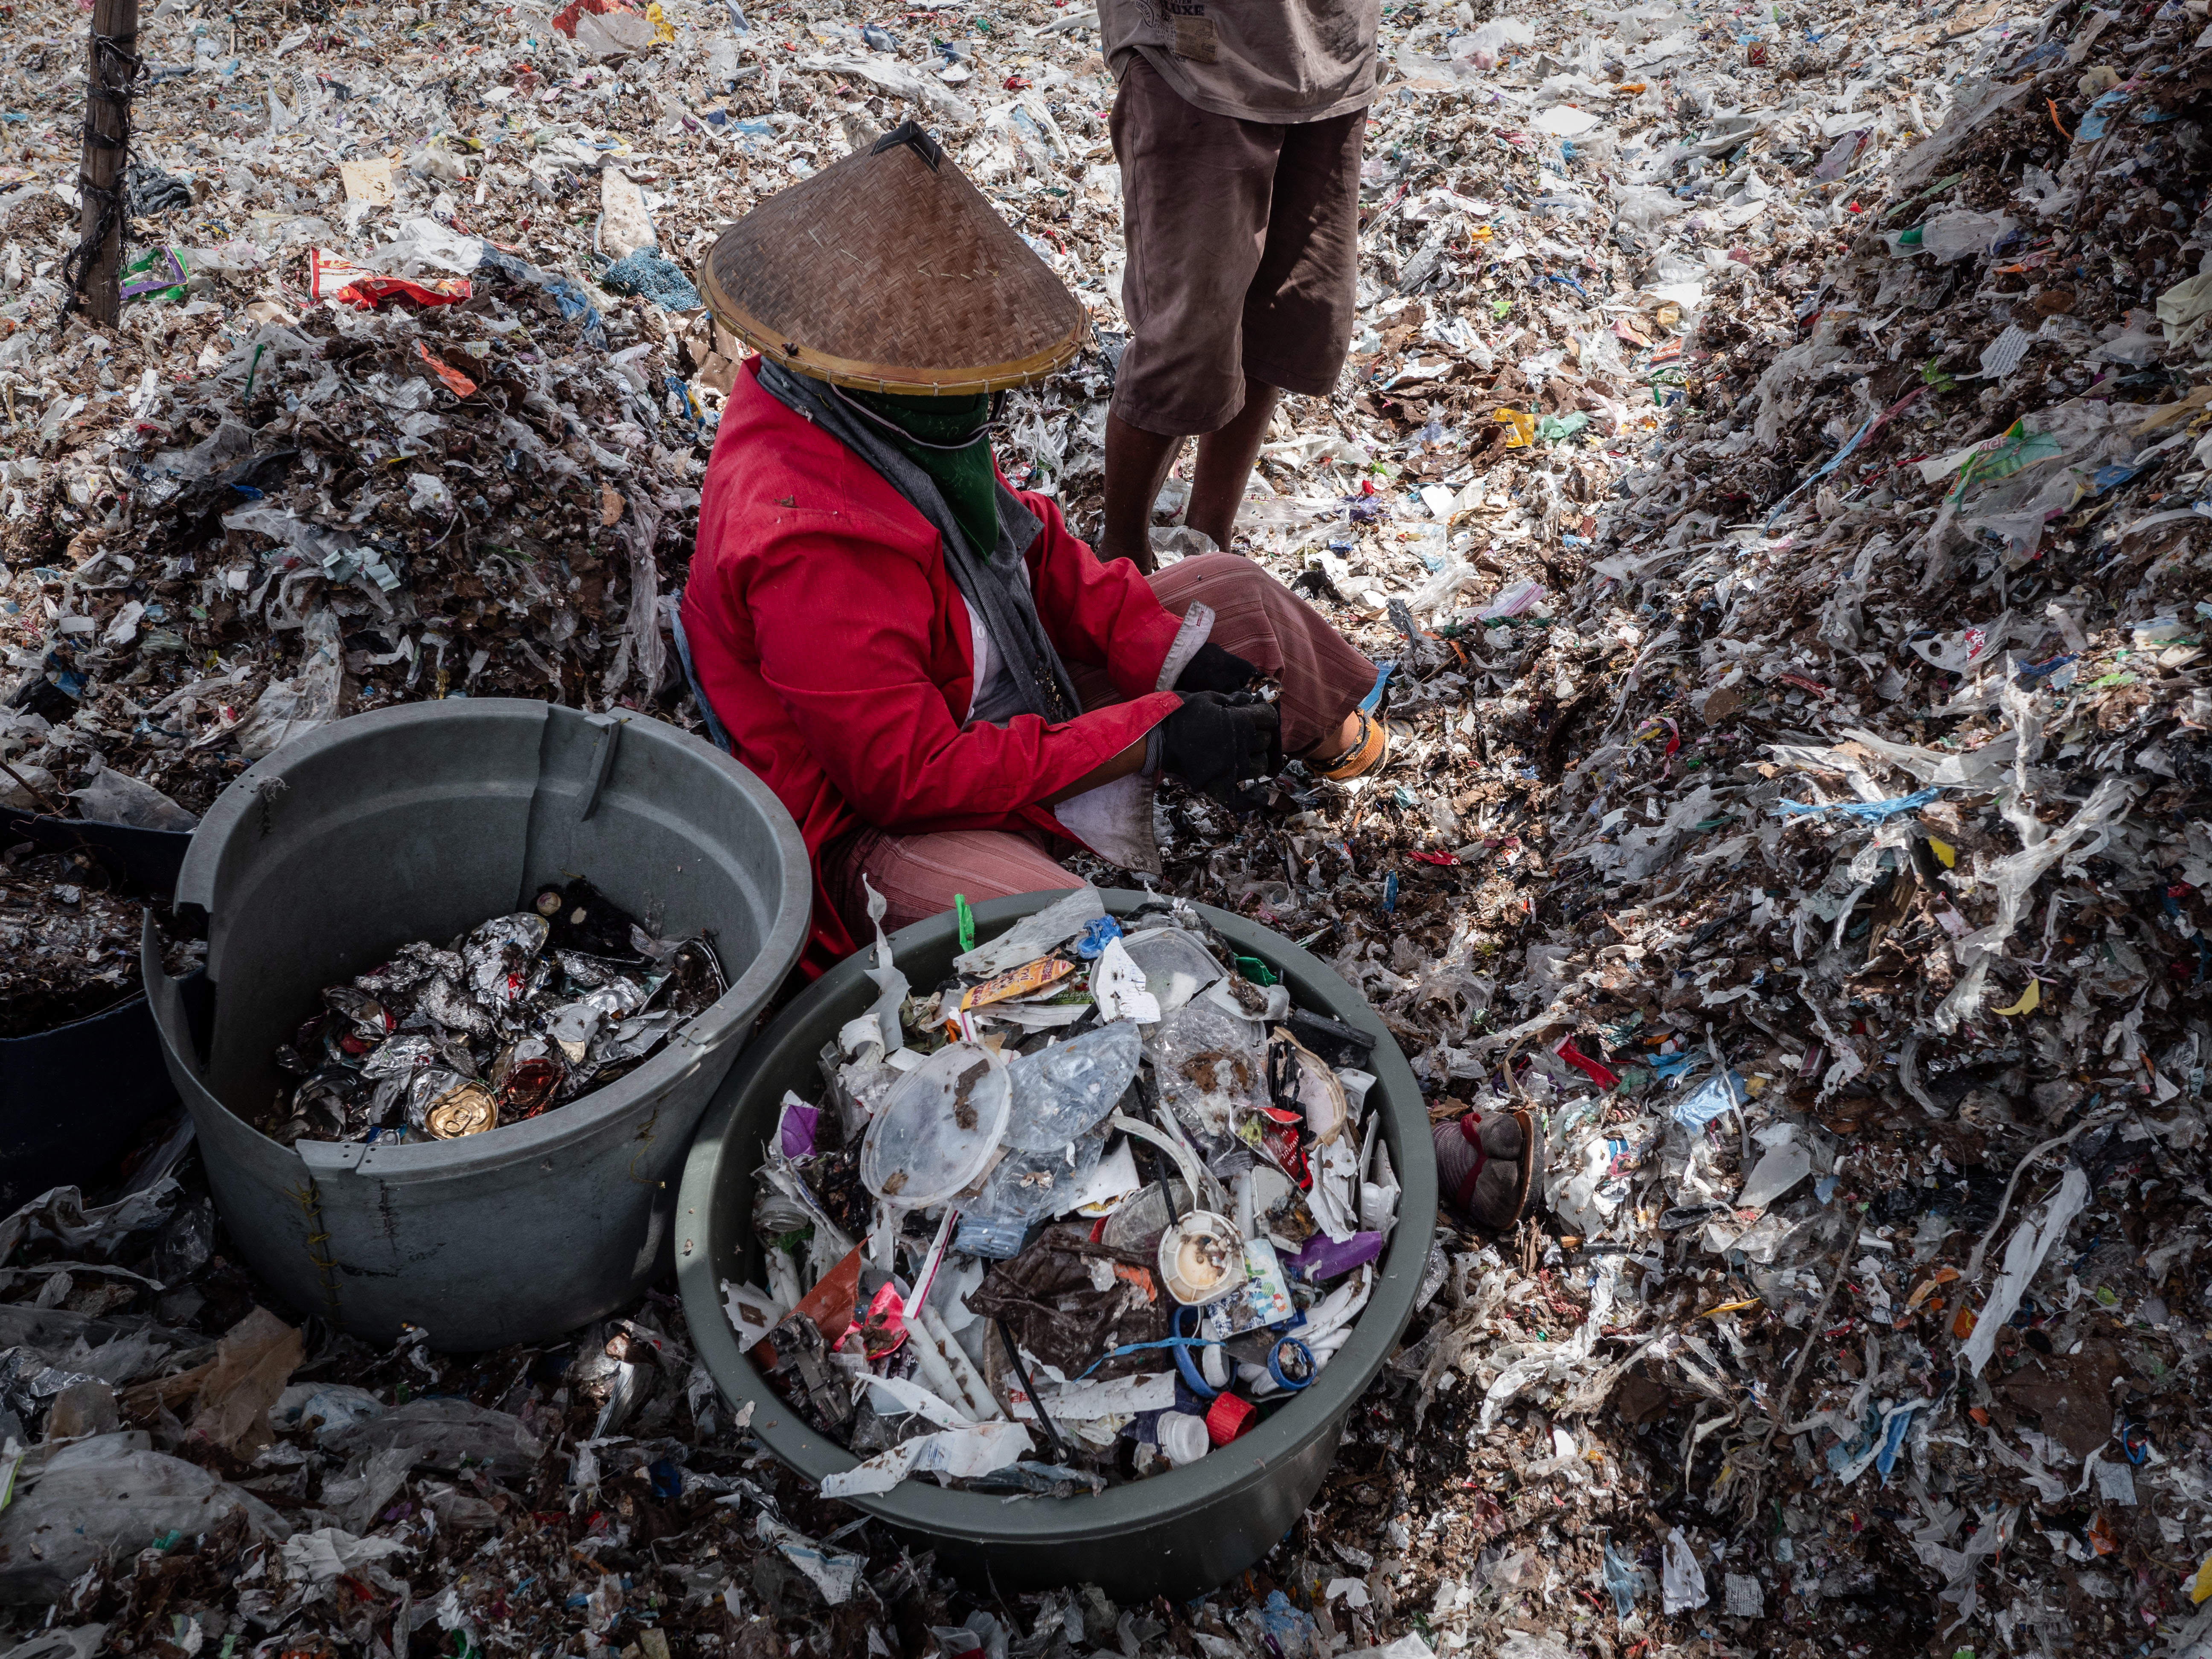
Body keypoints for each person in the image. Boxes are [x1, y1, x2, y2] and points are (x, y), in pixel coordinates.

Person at [677, 124, 1391, 974]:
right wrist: (1154, 734)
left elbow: (1038, 551)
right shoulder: (804, 541)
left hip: (1017, 696)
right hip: (881, 825)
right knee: (1054, 929)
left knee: (1230, 593)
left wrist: (1173, 659)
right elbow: (906, 779)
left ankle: (1320, 736)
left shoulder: (893, 418)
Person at [1094, 0, 1380, 572]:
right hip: (1198, 52)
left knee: (1282, 319)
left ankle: (1210, 545)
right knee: (1185, 339)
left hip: (1331, 53)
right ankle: (1119, 561)